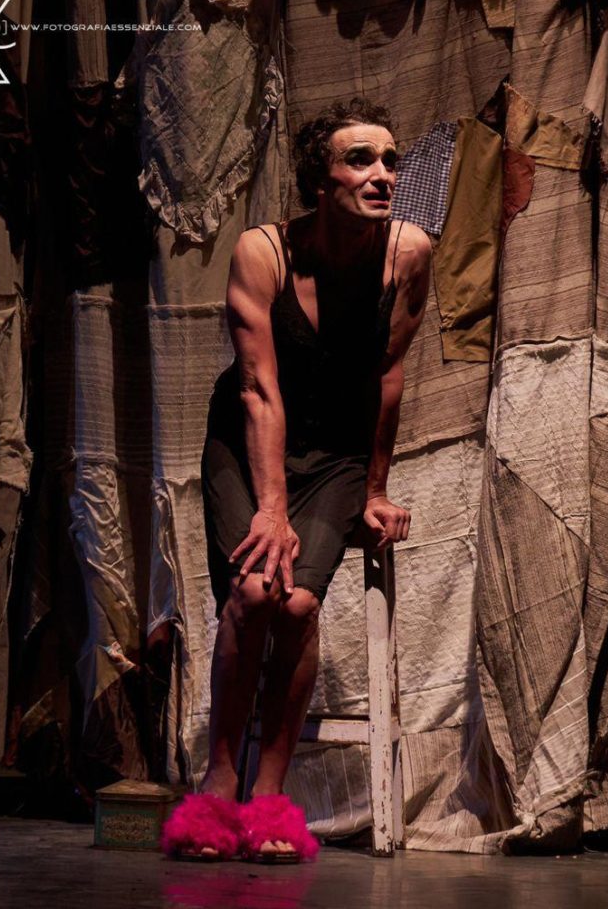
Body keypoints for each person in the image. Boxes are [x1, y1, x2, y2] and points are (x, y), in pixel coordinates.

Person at [162, 97, 431, 863]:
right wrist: (272, 508)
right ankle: (218, 785)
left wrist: (374, 489)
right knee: (253, 593)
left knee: (300, 600)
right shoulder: (264, 252)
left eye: (390, 160)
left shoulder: (408, 252)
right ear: (320, 180)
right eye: (360, 159)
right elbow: (258, 388)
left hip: (337, 451)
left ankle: (270, 797)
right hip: (247, 441)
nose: (382, 174)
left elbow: (388, 376)